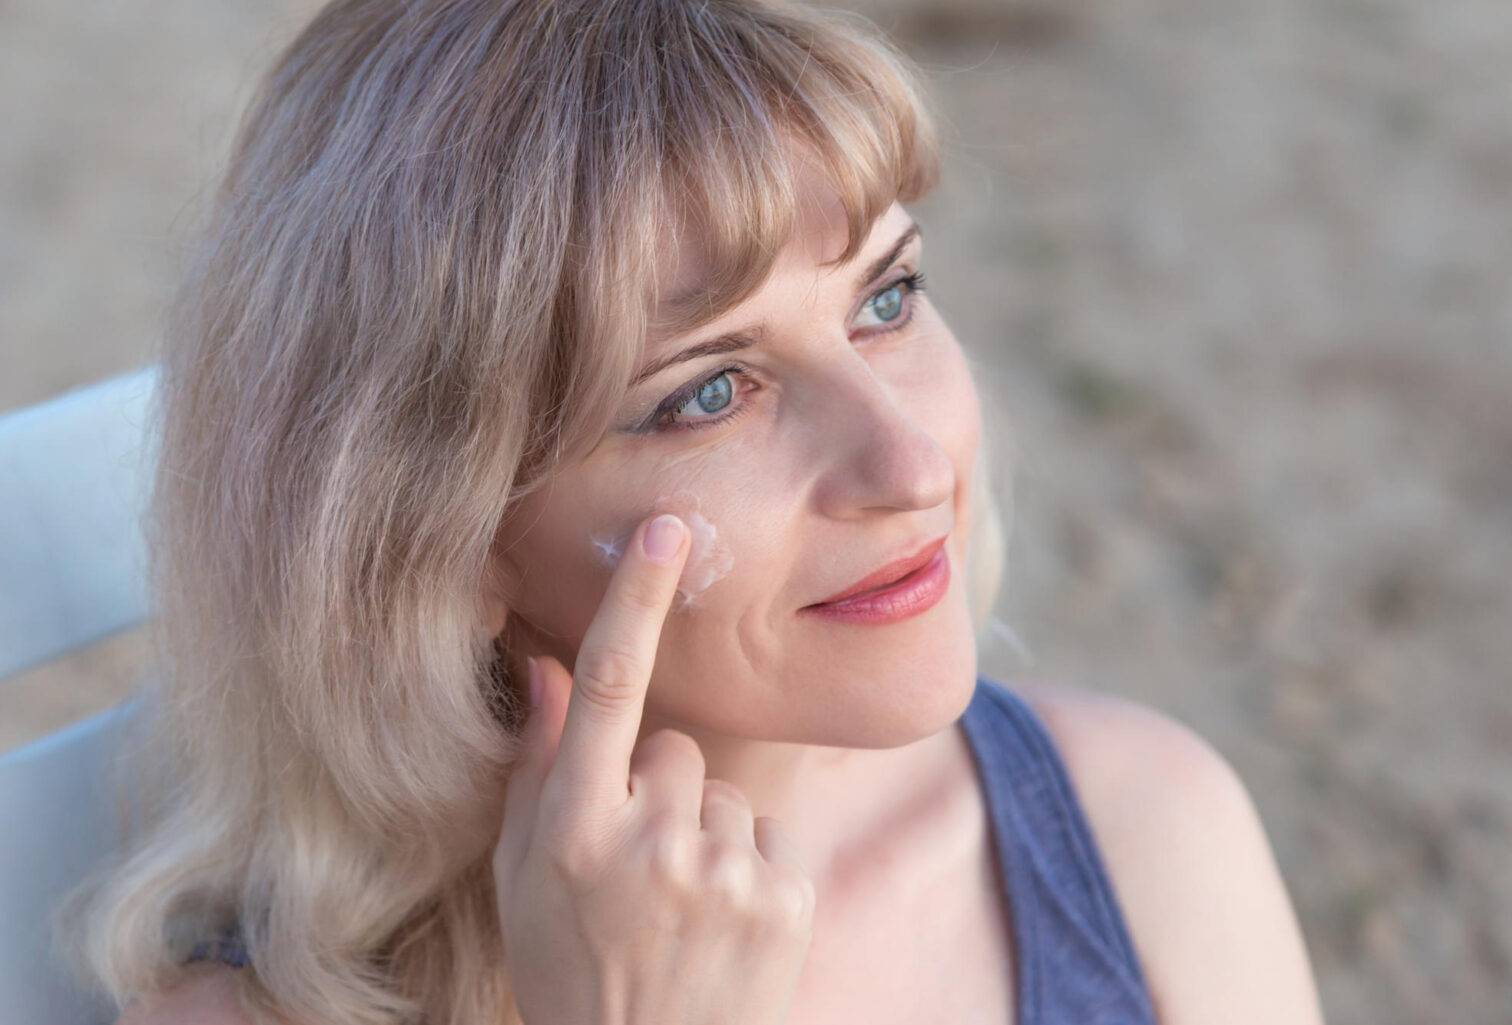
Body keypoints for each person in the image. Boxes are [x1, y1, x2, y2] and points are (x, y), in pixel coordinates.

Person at [59, 0, 1326, 1022]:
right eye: (709, 391)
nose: (908, 460)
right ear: (441, 538)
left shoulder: (1141, 825)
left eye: (885, 300)